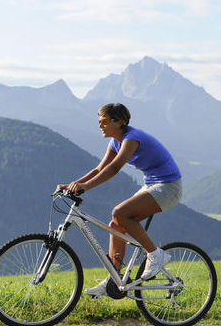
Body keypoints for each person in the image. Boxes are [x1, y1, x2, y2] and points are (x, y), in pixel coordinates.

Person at [58, 103, 183, 299]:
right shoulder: (115, 142)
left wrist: (86, 187)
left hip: (168, 187)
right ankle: (113, 280)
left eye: (104, 121)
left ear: (120, 121)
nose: (100, 125)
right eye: (99, 121)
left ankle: (156, 255)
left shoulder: (132, 139)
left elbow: (115, 168)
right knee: (115, 226)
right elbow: (99, 169)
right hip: (152, 185)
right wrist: (73, 184)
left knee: (119, 213)